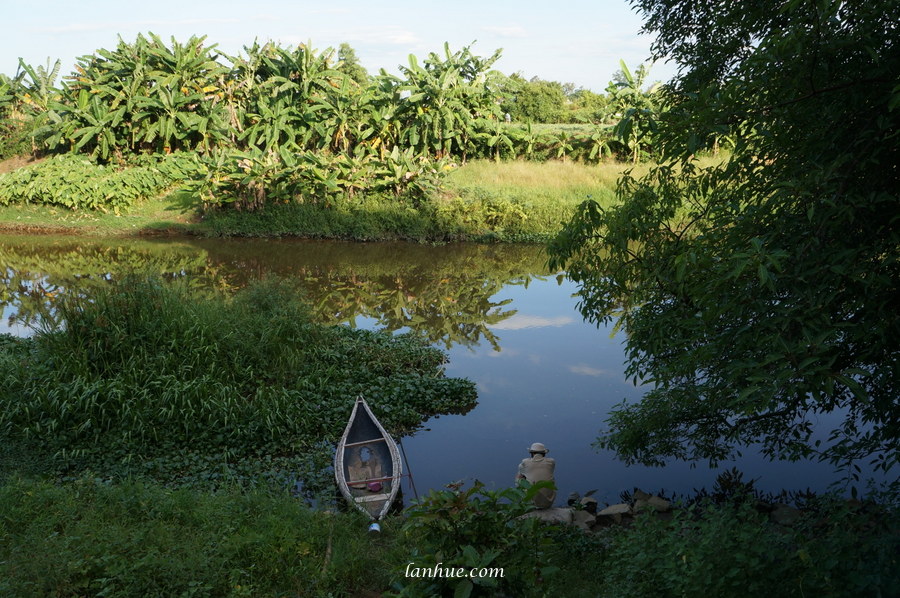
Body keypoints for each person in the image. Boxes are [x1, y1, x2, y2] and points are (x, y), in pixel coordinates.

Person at [515, 442, 556, 508]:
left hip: (530, 503)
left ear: (531, 453)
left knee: (520, 477)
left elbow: (520, 472)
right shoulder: (551, 462)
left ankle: (521, 502)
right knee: (550, 478)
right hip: (548, 502)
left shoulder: (525, 462)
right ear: (544, 453)